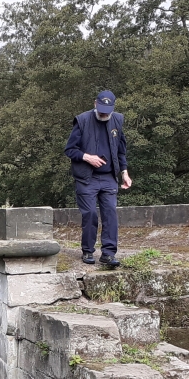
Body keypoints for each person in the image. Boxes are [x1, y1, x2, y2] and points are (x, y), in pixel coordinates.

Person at [64, 90, 132, 267]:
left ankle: (108, 254)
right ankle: (88, 251)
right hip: (87, 178)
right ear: (95, 104)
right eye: (101, 109)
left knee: (110, 213)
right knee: (91, 214)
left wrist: (124, 172)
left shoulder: (117, 120)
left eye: (107, 111)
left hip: (109, 177)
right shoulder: (82, 120)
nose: (103, 114)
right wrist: (87, 157)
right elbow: (69, 150)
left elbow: (121, 150)